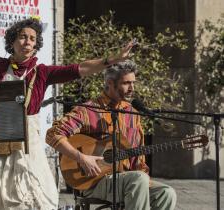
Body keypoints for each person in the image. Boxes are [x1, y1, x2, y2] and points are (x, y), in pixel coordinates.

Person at [0, 18, 134, 210]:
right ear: (13, 41)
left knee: (30, 192)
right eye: (23, 37)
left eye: (32, 38)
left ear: (36, 45)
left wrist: (113, 59)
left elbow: (81, 69)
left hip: (28, 141)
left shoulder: (42, 73)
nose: (27, 42)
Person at [46, 60, 177, 210]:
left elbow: (138, 158)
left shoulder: (132, 114)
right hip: (93, 181)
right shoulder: (88, 110)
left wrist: (143, 174)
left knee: (166, 193)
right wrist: (81, 158)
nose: (132, 88)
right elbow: (53, 134)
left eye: (133, 83)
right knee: (138, 180)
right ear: (110, 83)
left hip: (128, 179)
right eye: (126, 83)